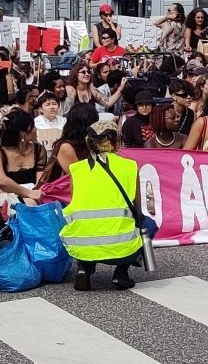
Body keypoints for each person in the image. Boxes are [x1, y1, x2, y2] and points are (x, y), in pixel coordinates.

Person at [62, 115, 147, 290]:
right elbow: (137, 207)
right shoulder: (130, 166)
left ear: (89, 143)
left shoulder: (76, 169)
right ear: (116, 143)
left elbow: (76, 202)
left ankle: (83, 269)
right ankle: (121, 273)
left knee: (84, 224)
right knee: (149, 224)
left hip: (82, 244)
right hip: (120, 245)